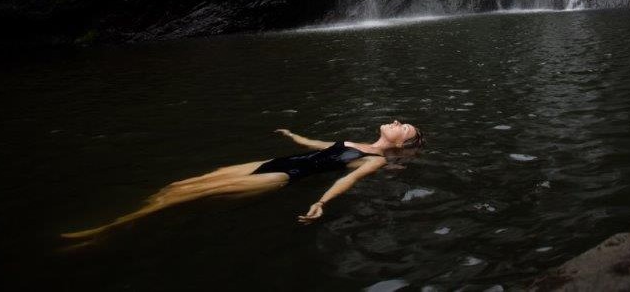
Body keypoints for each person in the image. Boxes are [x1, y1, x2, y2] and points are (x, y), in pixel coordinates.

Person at [61, 120, 424, 239]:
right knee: (184, 184)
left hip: (289, 174)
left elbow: (347, 180)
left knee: (194, 195)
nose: (394, 122)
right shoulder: (355, 140)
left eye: (401, 126)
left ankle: (110, 227)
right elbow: (322, 146)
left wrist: (322, 202)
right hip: (282, 159)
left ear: (400, 143)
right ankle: (143, 208)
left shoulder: (374, 159)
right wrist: (295, 137)